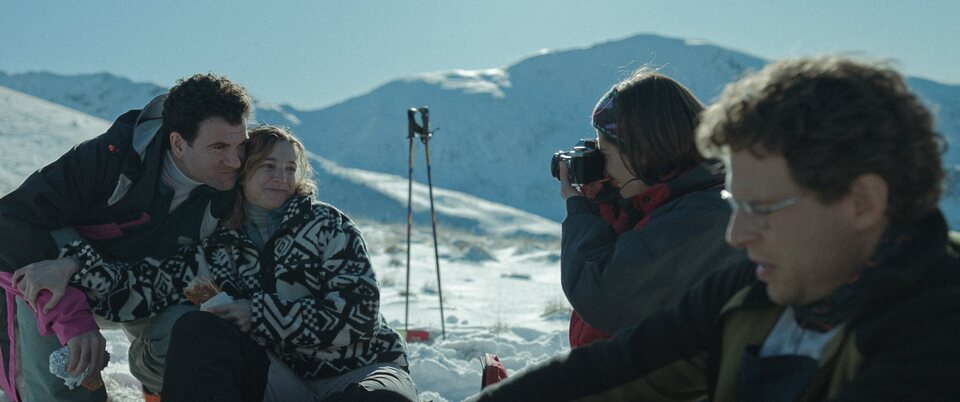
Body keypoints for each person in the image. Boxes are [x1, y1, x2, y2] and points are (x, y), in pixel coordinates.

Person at [472, 56, 960, 401]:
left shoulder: (936, 336)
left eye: (763, 207)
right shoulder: (757, 294)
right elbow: (615, 370)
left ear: (862, 203)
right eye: (736, 204)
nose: (735, 235)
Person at [35, 126, 418, 401]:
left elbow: (359, 315)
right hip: (281, 380)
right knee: (196, 329)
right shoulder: (219, 247)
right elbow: (140, 289)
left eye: (289, 168)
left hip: (361, 373)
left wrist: (260, 315)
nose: (281, 177)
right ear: (243, 172)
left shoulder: (327, 225)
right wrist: (74, 265)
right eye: (268, 166)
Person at [2, 73, 251, 401]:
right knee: (62, 369)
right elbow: (9, 223)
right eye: (219, 147)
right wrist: (73, 319)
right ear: (178, 143)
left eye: (241, 145)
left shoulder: (237, 185)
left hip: (142, 290)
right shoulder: (106, 160)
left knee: (194, 327)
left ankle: (157, 389)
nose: (235, 161)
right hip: (64, 294)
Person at [558, 69, 742, 347]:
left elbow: (602, 296)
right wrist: (603, 204)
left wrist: (581, 211)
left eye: (605, 154)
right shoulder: (669, 202)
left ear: (643, 151)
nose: (604, 169)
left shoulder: (705, 215)